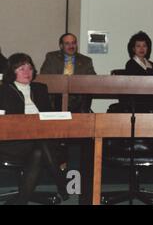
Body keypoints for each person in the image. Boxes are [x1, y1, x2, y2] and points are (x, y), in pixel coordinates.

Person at [0, 53, 68, 204]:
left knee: (39, 150)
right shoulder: (4, 90)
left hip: (39, 141)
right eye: (21, 69)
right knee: (41, 144)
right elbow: (9, 122)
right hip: (13, 142)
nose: (27, 72)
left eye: (30, 68)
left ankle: (21, 201)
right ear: (12, 71)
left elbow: (48, 117)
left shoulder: (40, 89)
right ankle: (61, 184)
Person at [40, 33, 96, 113]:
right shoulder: (52, 57)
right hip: (57, 95)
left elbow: (93, 80)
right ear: (61, 46)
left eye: (73, 43)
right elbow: (45, 77)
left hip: (78, 96)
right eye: (67, 43)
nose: (71, 46)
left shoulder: (86, 61)